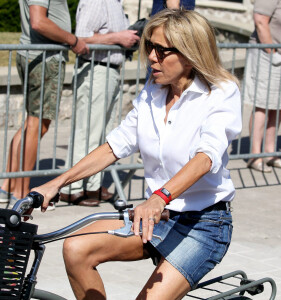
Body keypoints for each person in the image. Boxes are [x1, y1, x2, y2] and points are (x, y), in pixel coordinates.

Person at [32, 9, 242, 299]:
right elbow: (114, 146)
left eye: (161, 50)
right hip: (159, 218)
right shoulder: (153, 92)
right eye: (149, 47)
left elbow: (206, 157)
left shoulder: (220, 92)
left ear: (190, 52)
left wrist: (159, 197)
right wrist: (56, 183)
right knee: (76, 247)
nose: (151, 57)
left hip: (203, 224)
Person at [0, 0, 88, 206]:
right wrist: (73, 40)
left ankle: (8, 185)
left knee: (31, 124)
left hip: (36, 56)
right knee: (37, 124)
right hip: (44, 59)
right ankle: (21, 190)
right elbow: (39, 22)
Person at [58, 0, 140, 206]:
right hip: (96, 68)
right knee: (87, 132)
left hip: (108, 70)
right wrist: (118, 37)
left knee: (102, 133)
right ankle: (72, 188)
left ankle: (92, 186)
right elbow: (81, 39)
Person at [245, 0, 281, 172]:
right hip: (268, 56)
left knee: (279, 107)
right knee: (262, 105)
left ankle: (270, 153)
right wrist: (273, 53)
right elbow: (260, 21)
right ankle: (255, 155)